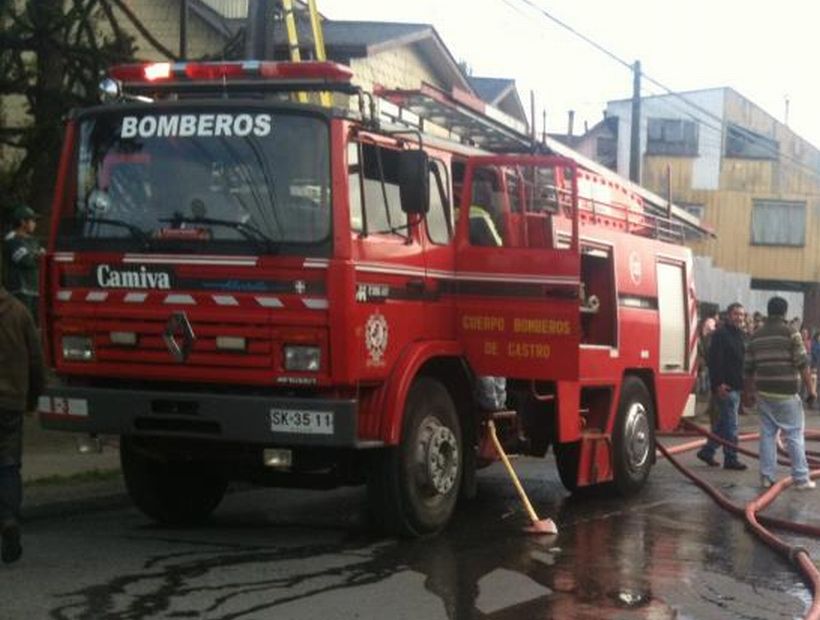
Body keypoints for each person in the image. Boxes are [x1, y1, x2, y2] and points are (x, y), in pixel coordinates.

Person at [744, 297, 816, 490]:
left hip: (764, 392)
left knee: (767, 435)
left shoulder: (756, 336)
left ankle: (766, 477)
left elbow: (748, 368)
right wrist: (811, 391)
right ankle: (801, 478)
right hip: (787, 393)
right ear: (784, 312)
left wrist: (749, 392)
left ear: (768, 311)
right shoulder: (791, 333)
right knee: (794, 435)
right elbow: (802, 364)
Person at [0, 285, 44, 563]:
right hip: (10, 402)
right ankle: (8, 517)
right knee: (8, 463)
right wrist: (32, 398)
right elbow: (36, 360)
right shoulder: (19, 311)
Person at [696, 302, 748, 470]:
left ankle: (707, 451)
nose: (739, 317)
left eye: (741, 314)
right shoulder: (720, 335)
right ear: (728, 315)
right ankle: (731, 458)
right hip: (725, 387)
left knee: (722, 424)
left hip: (736, 385)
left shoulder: (741, 335)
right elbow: (715, 361)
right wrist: (718, 384)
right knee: (731, 425)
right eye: (736, 314)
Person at [2, 205, 43, 323]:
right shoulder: (13, 241)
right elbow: (26, 260)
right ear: (22, 222)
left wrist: (37, 254)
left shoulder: (32, 241)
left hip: (34, 290)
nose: (35, 223)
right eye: (32, 220)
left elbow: (41, 258)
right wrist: (38, 255)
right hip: (20, 291)